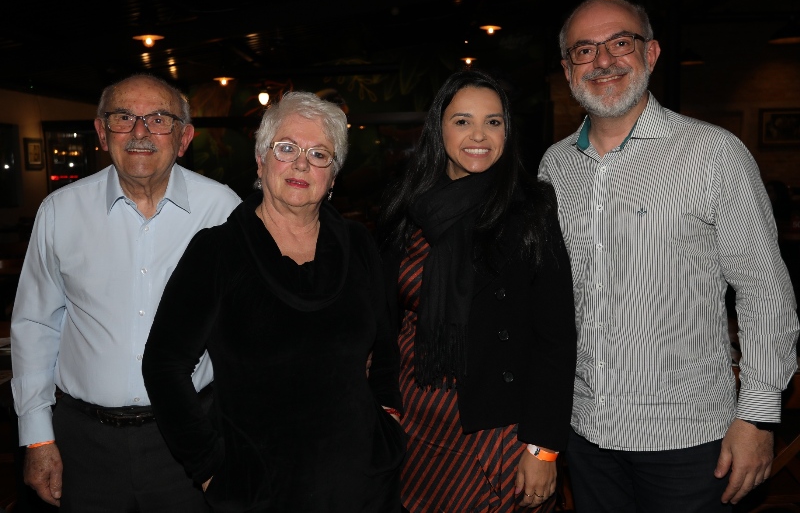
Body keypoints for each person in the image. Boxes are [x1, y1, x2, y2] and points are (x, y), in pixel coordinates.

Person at [538, 0, 800, 513]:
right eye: (584, 50)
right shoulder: (555, 165)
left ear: (651, 53)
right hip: (586, 433)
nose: (603, 60)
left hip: (691, 438)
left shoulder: (713, 153)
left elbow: (764, 291)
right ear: (568, 68)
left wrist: (758, 416)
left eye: (620, 42)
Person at [141, 91, 405, 512]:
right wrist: (209, 468)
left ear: (333, 177)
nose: (302, 163)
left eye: (319, 154)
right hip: (259, 491)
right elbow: (163, 365)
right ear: (261, 162)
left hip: (364, 485)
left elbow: (388, 347)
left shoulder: (358, 244)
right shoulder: (217, 251)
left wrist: (388, 423)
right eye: (287, 148)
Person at [10, 73, 242, 511]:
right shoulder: (60, 211)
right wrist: (37, 436)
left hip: (192, 438)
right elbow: (35, 324)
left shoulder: (223, 210)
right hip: (85, 444)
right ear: (101, 132)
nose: (139, 132)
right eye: (123, 117)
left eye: (159, 118)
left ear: (184, 136)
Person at [378, 69, 577, 512]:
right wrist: (384, 407)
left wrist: (542, 448)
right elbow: (384, 323)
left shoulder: (532, 208)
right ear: (439, 128)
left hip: (496, 428)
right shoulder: (406, 206)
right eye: (463, 120)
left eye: (493, 121)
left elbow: (556, 339)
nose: (479, 135)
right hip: (415, 421)